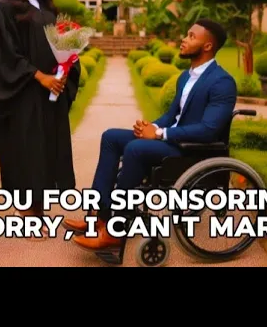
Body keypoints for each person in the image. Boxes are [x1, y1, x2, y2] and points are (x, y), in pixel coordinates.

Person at [65, 19, 237, 251]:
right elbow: (172, 115)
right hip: (174, 141)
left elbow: (208, 130)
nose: (184, 39)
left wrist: (159, 133)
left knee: (135, 149)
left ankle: (115, 231)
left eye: (191, 36)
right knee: (111, 137)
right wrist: (150, 126)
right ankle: (98, 217)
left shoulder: (222, 82)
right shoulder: (185, 77)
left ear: (208, 46)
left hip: (193, 150)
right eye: (186, 34)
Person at [0, 0, 81, 239]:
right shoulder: (4, 9)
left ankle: (38, 210)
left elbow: (57, 45)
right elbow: (3, 55)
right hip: (23, 94)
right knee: (26, 151)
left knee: (46, 151)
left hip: (50, 94)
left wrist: (66, 67)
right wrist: (39, 76)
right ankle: (26, 213)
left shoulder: (46, 7)